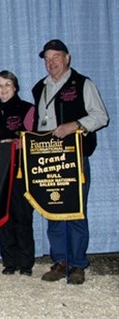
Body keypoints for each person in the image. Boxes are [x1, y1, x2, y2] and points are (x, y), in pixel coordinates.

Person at [32, 39, 109, 285]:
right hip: (48, 159)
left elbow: (100, 116)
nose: (51, 62)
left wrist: (74, 125)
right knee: (53, 210)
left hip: (75, 158)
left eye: (56, 57)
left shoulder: (83, 83)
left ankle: (77, 264)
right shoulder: (39, 88)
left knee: (76, 211)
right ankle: (60, 261)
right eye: (47, 59)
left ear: (68, 58)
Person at [0, 70, 35, 276]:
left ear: (15, 87)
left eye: (7, 85)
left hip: (21, 170)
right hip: (0, 171)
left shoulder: (27, 109)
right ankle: (9, 261)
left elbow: (32, 138)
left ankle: (26, 262)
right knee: (3, 217)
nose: (3, 90)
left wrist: (12, 144)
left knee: (22, 216)